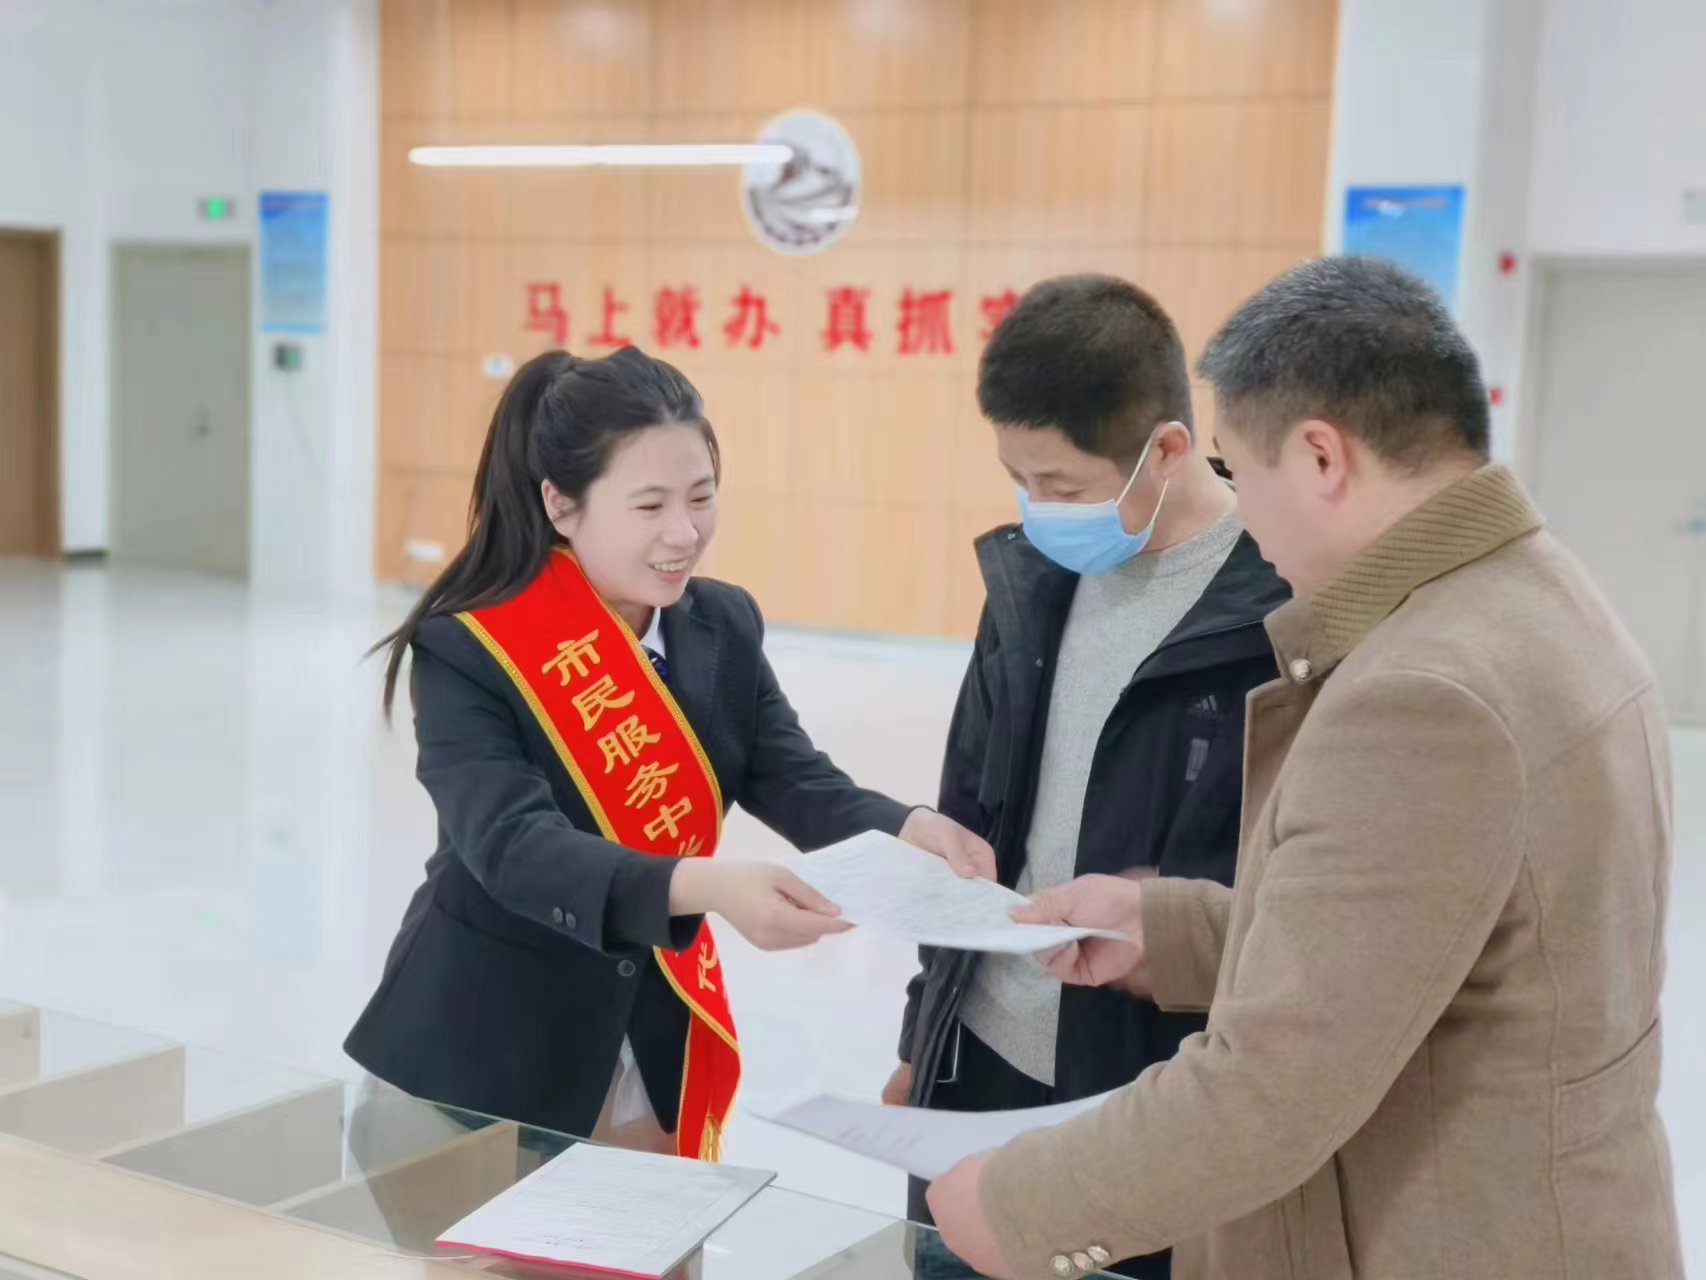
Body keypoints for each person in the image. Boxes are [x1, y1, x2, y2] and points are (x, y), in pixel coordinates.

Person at [924, 256, 1683, 1280]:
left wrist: (1018, 1209)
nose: (1242, 512)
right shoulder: (1540, 599)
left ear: (1321, 456)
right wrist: (1170, 927)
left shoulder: (1423, 692)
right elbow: (1424, 940)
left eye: (1243, 472)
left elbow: (1272, 1086)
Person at [345, 346, 993, 1161]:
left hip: (648, 1048)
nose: (684, 534)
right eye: (649, 506)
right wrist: (709, 887)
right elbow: (514, 848)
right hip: (477, 1056)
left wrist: (909, 828)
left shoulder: (719, 624)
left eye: (701, 497)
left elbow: (791, 776)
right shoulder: (471, 648)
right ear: (560, 504)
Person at [890, 275, 1288, 1280]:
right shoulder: (1029, 584)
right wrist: (919, 1036)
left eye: (1062, 486)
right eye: (1017, 478)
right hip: (975, 1068)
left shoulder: (1275, 612)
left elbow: (1291, 902)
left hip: (1133, 1096)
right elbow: (972, 818)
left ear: (1166, 449)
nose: (1037, 508)